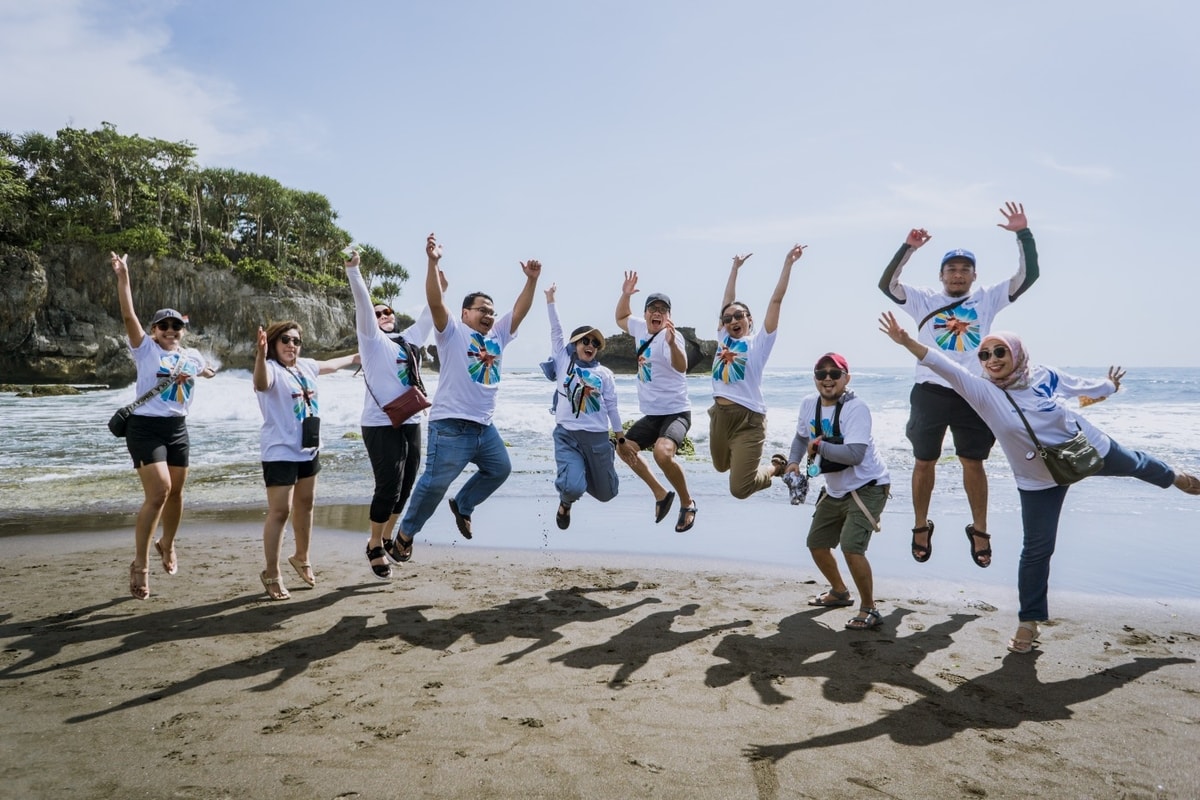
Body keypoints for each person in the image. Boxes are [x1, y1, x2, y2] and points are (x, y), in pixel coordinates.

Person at [879, 312, 1200, 653]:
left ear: (1016, 353)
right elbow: (942, 364)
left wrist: (1109, 386)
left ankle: (1177, 477)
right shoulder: (983, 392)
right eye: (984, 355)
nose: (992, 360)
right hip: (1038, 478)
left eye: (1000, 351)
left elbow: (1081, 386)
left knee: (1136, 464)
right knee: (1037, 549)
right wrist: (907, 342)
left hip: (1085, 449)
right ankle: (1028, 623)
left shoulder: (1042, 374)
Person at [878, 202, 1040, 570]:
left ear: (973, 275)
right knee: (924, 461)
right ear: (941, 275)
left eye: (964, 269)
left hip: (975, 392)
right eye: (951, 269)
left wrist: (1022, 234)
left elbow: (1027, 277)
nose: (957, 275)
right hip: (930, 391)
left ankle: (979, 530)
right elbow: (887, 285)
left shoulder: (987, 298)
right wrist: (908, 249)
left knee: (973, 462)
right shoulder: (923, 300)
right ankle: (921, 525)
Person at [385, 234, 540, 569]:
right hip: (451, 424)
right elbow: (435, 301)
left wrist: (531, 281)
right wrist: (433, 263)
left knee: (500, 469)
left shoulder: (497, 335)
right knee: (434, 483)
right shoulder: (451, 331)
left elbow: (521, 310)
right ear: (465, 313)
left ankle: (464, 504)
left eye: (491, 312)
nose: (488, 315)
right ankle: (404, 537)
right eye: (482, 310)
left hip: (484, 426)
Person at [110, 251, 216, 600]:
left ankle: (166, 544)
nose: (170, 331)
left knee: (176, 493)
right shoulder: (145, 350)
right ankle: (140, 563)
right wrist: (124, 276)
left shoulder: (192, 355)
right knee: (159, 492)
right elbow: (128, 314)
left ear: (182, 331)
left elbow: (208, 369)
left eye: (176, 327)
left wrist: (204, 371)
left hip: (177, 428)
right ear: (154, 330)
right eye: (164, 326)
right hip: (144, 427)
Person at [344, 250, 441, 578]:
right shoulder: (371, 340)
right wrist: (354, 271)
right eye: (378, 311)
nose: (384, 314)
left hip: (410, 419)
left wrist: (435, 266)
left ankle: (387, 535)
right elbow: (361, 303)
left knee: (407, 483)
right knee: (388, 485)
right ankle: (373, 543)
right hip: (379, 422)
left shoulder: (409, 340)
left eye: (388, 311)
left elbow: (431, 312)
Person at [252, 322, 358, 599]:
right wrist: (261, 356)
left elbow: (332, 365)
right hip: (280, 451)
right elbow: (260, 383)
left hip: (308, 448)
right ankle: (272, 572)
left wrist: (356, 358)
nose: (291, 345)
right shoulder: (271, 369)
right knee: (280, 511)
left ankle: (301, 556)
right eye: (285, 340)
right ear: (274, 343)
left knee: (306, 504)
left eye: (296, 341)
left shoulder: (306, 366)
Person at [786, 353, 892, 630]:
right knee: (817, 543)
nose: (828, 379)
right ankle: (839, 592)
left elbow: (855, 454)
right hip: (835, 488)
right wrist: (794, 462)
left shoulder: (857, 408)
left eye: (835, 373)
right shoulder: (809, 404)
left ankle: (870, 608)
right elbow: (800, 436)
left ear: (847, 378)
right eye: (821, 374)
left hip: (868, 486)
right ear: (815, 379)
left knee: (851, 546)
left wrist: (818, 447)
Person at [708, 245, 804, 498]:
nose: (732, 321)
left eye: (738, 316)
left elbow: (776, 300)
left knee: (740, 489)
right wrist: (734, 269)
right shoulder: (722, 339)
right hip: (719, 416)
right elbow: (726, 302)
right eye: (727, 319)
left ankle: (776, 466)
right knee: (720, 466)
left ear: (750, 319)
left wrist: (788, 264)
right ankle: (745, 462)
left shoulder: (759, 343)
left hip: (748, 420)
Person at [614, 273, 697, 532]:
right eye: (653, 309)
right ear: (647, 313)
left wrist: (672, 345)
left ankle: (687, 502)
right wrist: (626, 294)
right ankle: (661, 494)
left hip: (677, 413)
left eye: (663, 310)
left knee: (662, 454)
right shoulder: (640, 328)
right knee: (623, 448)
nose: (657, 313)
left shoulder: (673, 337)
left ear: (668, 316)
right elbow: (620, 318)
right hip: (653, 414)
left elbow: (681, 366)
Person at [543, 282, 623, 529]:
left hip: (598, 439)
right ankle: (565, 502)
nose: (590, 345)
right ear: (575, 345)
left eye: (595, 343)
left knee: (608, 493)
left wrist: (620, 438)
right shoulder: (564, 360)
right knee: (573, 486)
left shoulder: (605, 374)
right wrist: (550, 299)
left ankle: (585, 467)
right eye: (585, 341)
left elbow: (612, 407)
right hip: (567, 435)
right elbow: (556, 330)